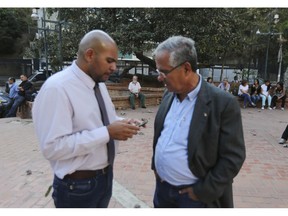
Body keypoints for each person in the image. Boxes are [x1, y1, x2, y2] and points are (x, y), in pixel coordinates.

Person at [32, 30, 141, 208]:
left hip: (104, 179)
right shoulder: (57, 88)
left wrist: (122, 122)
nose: (115, 68)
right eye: (110, 60)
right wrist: (107, 133)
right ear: (90, 55)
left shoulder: (98, 84)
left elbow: (103, 120)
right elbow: (52, 148)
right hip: (76, 188)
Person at [151, 35, 246, 208]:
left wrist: (202, 191)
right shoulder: (169, 95)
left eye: (163, 72)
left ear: (186, 68)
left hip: (194, 198)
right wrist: (157, 167)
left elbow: (233, 157)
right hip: (163, 191)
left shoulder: (222, 103)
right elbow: (161, 135)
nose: (159, 78)